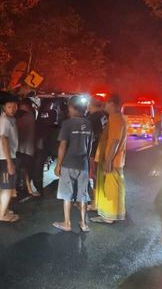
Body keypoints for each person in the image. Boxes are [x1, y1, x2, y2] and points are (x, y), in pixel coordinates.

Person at [52, 96, 93, 232]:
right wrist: (87, 160)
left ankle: (67, 223)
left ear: (72, 108)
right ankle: (84, 223)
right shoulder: (89, 124)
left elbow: (62, 145)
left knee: (66, 194)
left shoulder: (67, 124)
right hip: (83, 165)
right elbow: (91, 145)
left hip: (69, 164)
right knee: (83, 195)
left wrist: (58, 164)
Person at [91, 94, 128, 224]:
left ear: (112, 104)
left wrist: (108, 160)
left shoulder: (116, 118)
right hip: (112, 159)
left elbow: (115, 141)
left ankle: (109, 217)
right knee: (110, 187)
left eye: (106, 103)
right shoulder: (115, 118)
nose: (104, 105)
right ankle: (108, 214)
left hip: (112, 160)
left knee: (111, 188)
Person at [0, 97, 20, 222]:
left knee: (3, 185)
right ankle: (3, 215)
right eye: (9, 107)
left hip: (6, 156)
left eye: (14, 106)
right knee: (7, 187)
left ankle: (1, 209)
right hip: (6, 157)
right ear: (4, 107)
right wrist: (9, 161)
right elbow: (3, 139)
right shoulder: (4, 120)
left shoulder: (11, 119)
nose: (12, 109)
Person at [86, 96, 108, 211]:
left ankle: (96, 203)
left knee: (94, 176)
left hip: (94, 150)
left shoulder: (92, 118)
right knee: (100, 176)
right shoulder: (104, 115)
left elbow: (88, 136)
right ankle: (101, 200)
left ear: (90, 105)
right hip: (103, 149)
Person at [16, 98, 39, 197]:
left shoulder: (20, 116)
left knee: (21, 169)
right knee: (26, 170)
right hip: (28, 149)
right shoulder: (31, 115)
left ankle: (20, 188)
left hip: (19, 148)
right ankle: (28, 188)